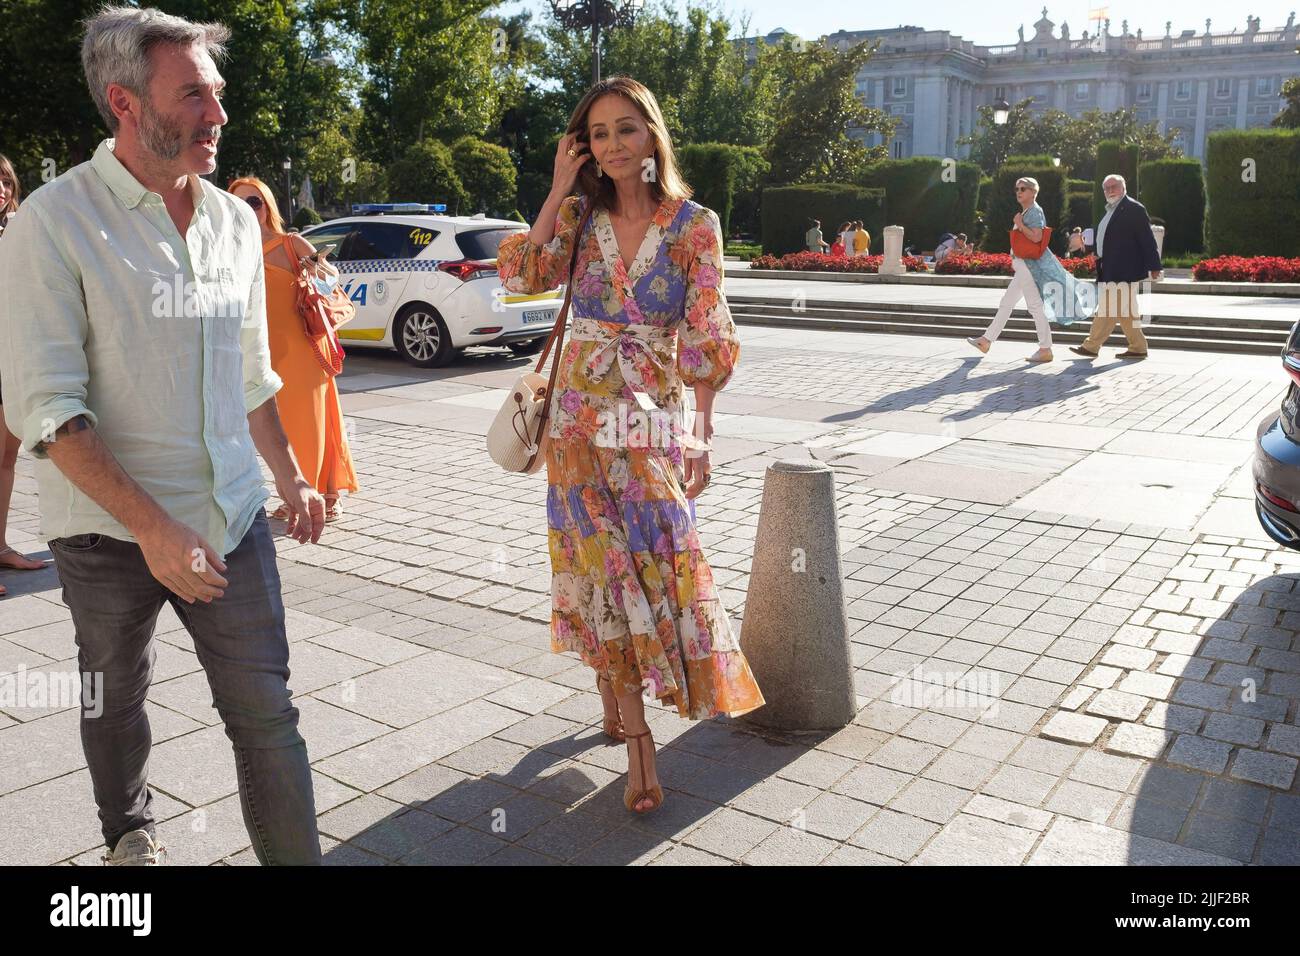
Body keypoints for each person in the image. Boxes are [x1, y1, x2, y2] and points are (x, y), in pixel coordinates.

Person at [0, 6, 326, 865]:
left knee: (268, 715)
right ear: (126, 102)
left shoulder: (233, 221)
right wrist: (152, 527)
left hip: (233, 517)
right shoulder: (52, 222)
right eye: (194, 96)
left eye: (216, 93)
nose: (219, 115)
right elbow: (49, 409)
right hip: (108, 534)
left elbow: (251, 374)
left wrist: (288, 479)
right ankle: (128, 833)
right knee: (116, 694)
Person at [496, 74, 765, 815]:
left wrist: (702, 435)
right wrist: (556, 185)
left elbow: (709, 332)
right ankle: (636, 739)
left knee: (659, 556)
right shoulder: (581, 216)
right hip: (578, 417)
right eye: (599, 133)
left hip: (649, 417)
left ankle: (627, 701)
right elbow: (521, 273)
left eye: (626, 130)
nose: (614, 146)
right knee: (598, 562)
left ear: (652, 137)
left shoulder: (693, 225)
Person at [228, 176, 358, 521]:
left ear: (267, 205)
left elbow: (331, 277)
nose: (247, 209)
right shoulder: (230, 250)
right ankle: (310, 492)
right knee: (276, 427)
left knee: (307, 423)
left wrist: (317, 269)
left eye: (254, 202)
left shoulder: (290, 243)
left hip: (300, 350)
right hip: (260, 350)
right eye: (239, 203)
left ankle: (313, 495)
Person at [966, 177, 1094, 362]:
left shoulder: (1034, 212)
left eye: (1023, 188)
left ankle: (1045, 349)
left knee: (1034, 306)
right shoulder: (1028, 211)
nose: (1019, 191)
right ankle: (986, 341)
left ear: (1034, 192)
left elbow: (1037, 238)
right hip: (1023, 265)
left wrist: (1020, 223)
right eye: (1017, 188)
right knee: (1007, 302)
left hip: (1028, 266)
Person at [0, 154, 47, 597]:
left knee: (6, 459)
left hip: (10, 357)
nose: (1, 188)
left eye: (5, 181)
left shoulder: (21, 230)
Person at [1070, 174, 1163, 360]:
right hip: (1111, 267)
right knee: (1127, 313)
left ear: (1124, 188)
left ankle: (1091, 346)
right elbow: (1108, 238)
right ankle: (1138, 347)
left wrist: (1154, 266)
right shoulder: (1111, 210)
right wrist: (1095, 250)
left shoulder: (1133, 209)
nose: (1110, 190)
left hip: (1124, 269)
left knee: (1107, 309)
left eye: (1114, 186)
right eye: (1107, 188)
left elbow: (1147, 239)